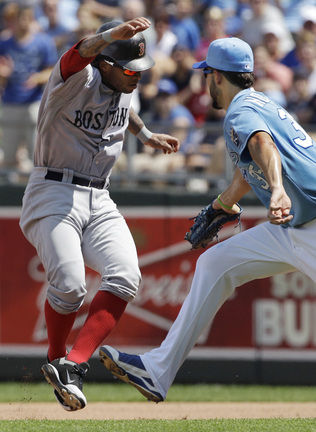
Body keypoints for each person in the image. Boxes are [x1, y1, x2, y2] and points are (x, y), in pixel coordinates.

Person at [99, 37, 316, 403]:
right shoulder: (260, 101)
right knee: (214, 264)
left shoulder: (240, 112)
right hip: (291, 227)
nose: (204, 82)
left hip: (309, 223)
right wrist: (223, 205)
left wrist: (277, 190)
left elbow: (263, 144)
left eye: (206, 75)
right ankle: (157, 371)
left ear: (216, 76)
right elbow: (246, 172)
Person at [19, 17, 179, 411]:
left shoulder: (121, 82)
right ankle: (58, 359)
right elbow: (79, 54)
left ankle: (74, 364)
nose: (136, 77)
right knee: (70, 285)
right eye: (128, 69)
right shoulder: (76, 79)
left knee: (126, 276)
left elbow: (126, 109)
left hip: (100, 196)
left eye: (140, 70)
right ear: (104, 62)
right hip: (53, 191)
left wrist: (145, 136)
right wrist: (108, 37)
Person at [0, 4, 57, 174]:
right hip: (10, 101)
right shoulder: (4, 43)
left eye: (27, 18)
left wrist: (37, 78)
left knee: (37, 154)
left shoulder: (43, 42)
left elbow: (52, 70)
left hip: (34, 101)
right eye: (20, 18)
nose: (24, 22)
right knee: (8, 153)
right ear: (13, 21)